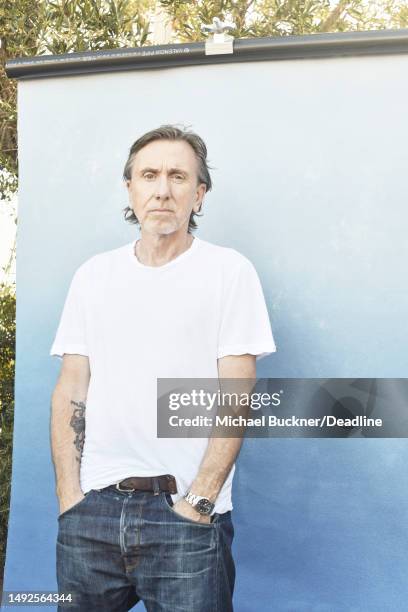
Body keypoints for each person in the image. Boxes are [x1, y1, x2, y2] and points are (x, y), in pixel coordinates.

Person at [50, 124, 276, 612]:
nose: (162, 189)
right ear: (130, 188)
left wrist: (200, 503)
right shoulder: (94, 276)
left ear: (199, 195)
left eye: (178, 176)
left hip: (184, 514)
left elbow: (236, 392)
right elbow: (72, 387)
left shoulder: (228, 272)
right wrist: (70, 498)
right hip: (91, 513)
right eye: (149, 175)